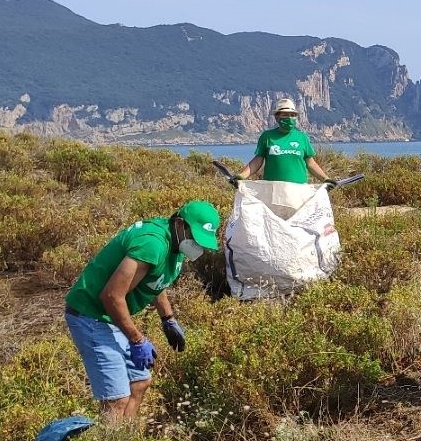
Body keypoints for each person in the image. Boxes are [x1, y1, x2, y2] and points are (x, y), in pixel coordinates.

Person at [64, 201, 222, 422]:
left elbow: (156, 282)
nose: (197, 245)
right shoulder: (152, 244)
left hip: (110, 316)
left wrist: (168, 319)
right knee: (116, 400)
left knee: (139, 382)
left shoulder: (174, 246)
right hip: (90, 315)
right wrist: (137, 340)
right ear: (179, 223)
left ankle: (124, 439)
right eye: (194, 237)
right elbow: (111, 296)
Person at [236, 97, 332, 185]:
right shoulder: (267, 136)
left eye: (292, 115)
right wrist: (241, 176)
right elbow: (257, 161)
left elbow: (311, 163)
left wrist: (326, 179)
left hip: (299, 190)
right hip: (272, 189)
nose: (289, 118)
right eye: (285, 115)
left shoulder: (302, 137)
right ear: (277, 117)